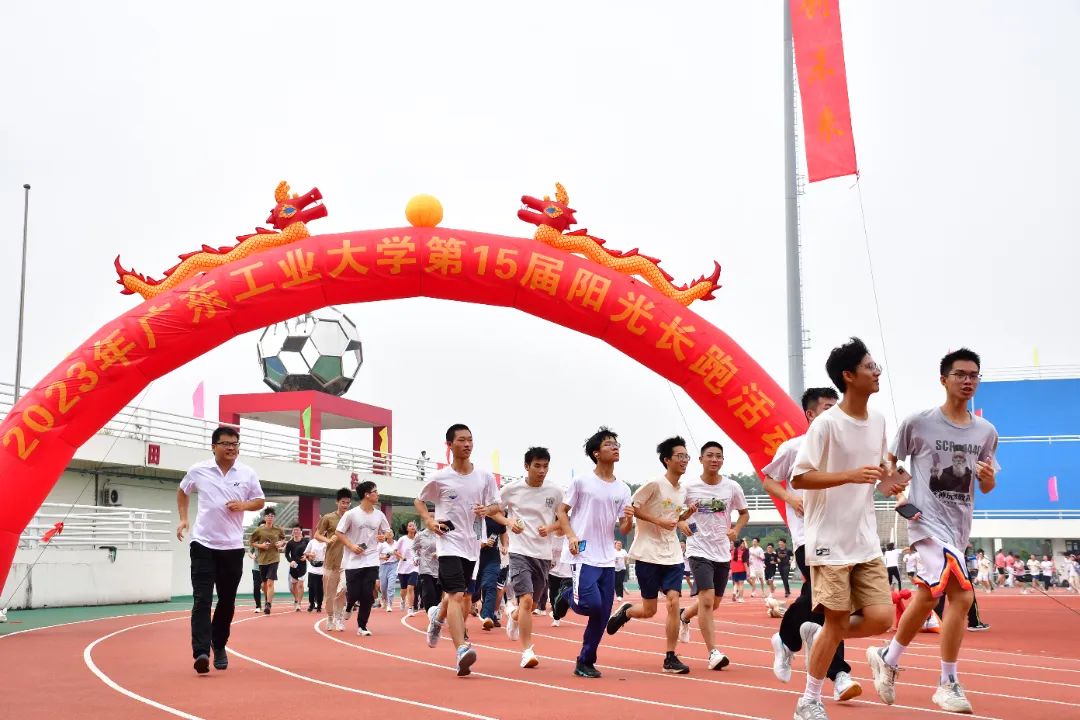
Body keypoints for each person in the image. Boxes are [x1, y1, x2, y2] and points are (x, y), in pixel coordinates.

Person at [867, 348, 999, 714]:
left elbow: (987, 486)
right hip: (925, 522)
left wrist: (988, 478)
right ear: (943, 379)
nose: (968, 381)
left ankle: (888, 658)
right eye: (960, 374)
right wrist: (894, 486)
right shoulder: (918, 423)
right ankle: (947, 683)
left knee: (927, 597)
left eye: (974, 375)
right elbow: (890, 461)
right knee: (963, 597)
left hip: (958, 527)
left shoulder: (986, 432)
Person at [790, 338, 905, 720]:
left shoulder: (879, 421)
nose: (877, 372)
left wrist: (892, 481)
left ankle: (821, 633)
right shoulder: (826, 424)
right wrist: (849, 475)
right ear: (849, 375)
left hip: (865, 538)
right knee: (837, 622)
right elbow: (800, 478)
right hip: (828, 540)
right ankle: (809, 700)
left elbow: (880, 473)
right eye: (870, 366)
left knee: (882, 619)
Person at [763, 386, 860, 704]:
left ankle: (786, 639)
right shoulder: (794, 447)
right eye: (828, 407)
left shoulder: (844, 451)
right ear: (810, 414)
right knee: (833, 603)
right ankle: (839, 674)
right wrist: (791, 499)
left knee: (823, 600)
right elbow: (769, 479)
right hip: (809, 536)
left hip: (841, 537)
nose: (836, 413)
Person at [176, 425, 265, 674]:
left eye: (235, 444)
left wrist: (243, 505)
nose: (231, 448)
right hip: (203, 544)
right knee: (202, 599)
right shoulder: (198, 470)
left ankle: (219, 644)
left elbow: (259, 500)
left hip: (232, 547)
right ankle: (201, 652)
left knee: (227, 601)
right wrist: (183, 518)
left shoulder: (247, 473)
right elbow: (183, 491)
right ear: (214, 446)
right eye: (226, 444)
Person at [414, 423, 501, 677]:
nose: (467, 444)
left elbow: (497, 505)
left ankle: (436, 619)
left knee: (458, 596)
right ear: (450, 445)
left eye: (470, 440)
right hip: (448, 541)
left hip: (472, 544)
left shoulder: (484, 477)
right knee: (456, 595)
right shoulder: (440, 478)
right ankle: (461, 649)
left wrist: (487, 510)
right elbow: (419, 500)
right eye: (462, 440)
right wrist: (429, 521)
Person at [606, 436, 696, 674]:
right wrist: (658, 521)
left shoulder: (682, 490)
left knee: (674, 601)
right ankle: (627, 611)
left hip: (672, 554)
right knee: (649, 610)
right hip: (648, 553)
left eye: (686, 456)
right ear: (667, 460)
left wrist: (686, 515)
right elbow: (632, 508)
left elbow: (675, 516)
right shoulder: (654, 484)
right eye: (680, 456)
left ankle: (670, 657)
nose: (684, 460)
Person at [552, 427, 634, 679]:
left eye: (617, 443)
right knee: (590, 604)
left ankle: (585, 661)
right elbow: (562, 511)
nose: (615, 447)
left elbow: (623, 528)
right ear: (596, 453)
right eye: (609, 444)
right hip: (583, 552)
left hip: (607, 556)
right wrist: (571, 536)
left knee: (602, 612)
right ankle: (566, 595)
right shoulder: (582, 482)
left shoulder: (623, 488)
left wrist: (629, 520)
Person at [490, 447, 563, 668]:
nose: (542, 471)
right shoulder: (512, 489)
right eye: (537, 466)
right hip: (519, 551)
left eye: (545, 466)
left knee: (530, 606)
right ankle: (527, 651)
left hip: (543, 554)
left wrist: (550, 528)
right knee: (527, 600)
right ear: (526, 466)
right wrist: (509, 522)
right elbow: (493, 510)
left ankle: (513, 616)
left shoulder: (555, 491)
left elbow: (563, 519)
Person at [678, 440, 748, 671]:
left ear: (723, 460)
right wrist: (681, 522)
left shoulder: (732, 487)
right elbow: (675, 512)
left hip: (721, 551)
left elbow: (744, 513)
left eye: (719, 456)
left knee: (713, 603)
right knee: (707, 600)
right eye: (710, 455)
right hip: (698, 549)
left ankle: (684, 615)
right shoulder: (689, 487)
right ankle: (713, 653)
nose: (714, 459)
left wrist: (736, 529)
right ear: (701, 459)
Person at [335, 481, 391, 636]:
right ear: (367, 495)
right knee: (353, 593)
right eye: (375, 491)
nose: (378, 494)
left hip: (371, 558)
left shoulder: (379, 515)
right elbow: (339, 532)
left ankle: (362, 626)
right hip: (353, 560)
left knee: (367, 594)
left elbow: (389, 532)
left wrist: (385, 536)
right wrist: (351, 546)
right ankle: (349, 606)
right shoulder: (351, 514)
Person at [315, 488, 352, 631]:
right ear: (337, 502)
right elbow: (317, 535)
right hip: (332, 560)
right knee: (329, 594)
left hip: (348, 560)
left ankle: (339, 617)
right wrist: (328, 540)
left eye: (348, 503)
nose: (345, 505)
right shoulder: (328, 517)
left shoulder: (352, 517)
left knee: (344, 588)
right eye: (343, 502)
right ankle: (330, 617)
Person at [249, 508, 286, 614]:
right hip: (262, 560)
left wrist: (281, 543)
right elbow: (251, 542)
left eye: (272, 516)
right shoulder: (259, 530)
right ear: (264, 517)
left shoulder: (278, 529)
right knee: (264, 584)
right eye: (268, 516)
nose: (270, 517)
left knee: (270, 582)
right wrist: (261, 545)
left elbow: (283, 539)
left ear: (274, 518)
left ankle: (268, 605)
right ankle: (267, 600)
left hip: (274, 558)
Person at [477, 513, 507, 629]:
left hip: (493, 558)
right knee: (472, 593)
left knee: (490, 585)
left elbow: (503, 532)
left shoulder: (498, 518)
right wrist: (483, 543)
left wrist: (504, 545)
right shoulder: (476, 516)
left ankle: (487, 616)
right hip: (475, 557)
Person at [284, 523, 310, 611]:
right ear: (292, 532)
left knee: (300, 584)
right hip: (293, 566)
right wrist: (291, 561)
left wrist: (306, 556)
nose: (296, 531)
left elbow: (310, 551)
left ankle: (299, 603)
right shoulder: (290, 543)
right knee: (293, 586)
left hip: (302, 565)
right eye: (294, 530)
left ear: (301, 531)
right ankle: (296, 599)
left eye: (297, 530)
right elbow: (286, 554)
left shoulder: (306, 541)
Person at [396, 522, 420, 615]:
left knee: (410, 587)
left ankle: (410, 608)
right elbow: (395, 551)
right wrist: (401, 557)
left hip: (414, 567)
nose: (412, 527)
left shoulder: (418, 539)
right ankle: (402, 600)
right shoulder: (402, 539)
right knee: (403, 590)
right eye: (410, 526)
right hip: (403, 568)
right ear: (407, 529)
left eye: (414, 525)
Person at [549, 535, 572, 626]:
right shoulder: (551, 536)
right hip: (553, 571)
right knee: (553, 595)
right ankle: (556, 618)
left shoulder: (571, 535)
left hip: (568, 573)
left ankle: (562, 610)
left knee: (565, 596)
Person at [377, 529, 400, 612]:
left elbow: (400, 555)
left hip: (394, 565)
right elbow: (375, 555)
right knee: (383, 587)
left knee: (391, 586)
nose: (389, 533)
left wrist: (397, 555)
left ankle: (389, 604)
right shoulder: (381, 544)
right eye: (388, 532)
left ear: (393, 534)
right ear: (385, 535)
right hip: (383, 566)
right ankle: (384, 598)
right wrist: (383, 557)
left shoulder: (397, 543)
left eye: (391, 532)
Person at [305, 535, 326, 612]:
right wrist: (310, 555)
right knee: (311, 587)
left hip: (322, 568)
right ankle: (311, 604)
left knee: (319, 588)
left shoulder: (326, 542)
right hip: (312, 567)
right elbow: (306, 553)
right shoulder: (312, 542)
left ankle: (319, 605)